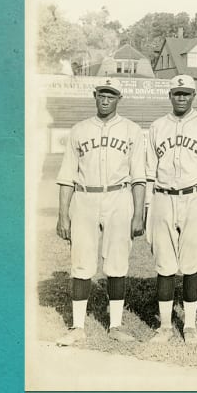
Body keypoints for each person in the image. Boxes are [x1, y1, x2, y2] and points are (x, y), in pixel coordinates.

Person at [54, 78, 146, 346]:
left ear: (119, 98)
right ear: (95, 96)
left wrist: (139, 214)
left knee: (117, 262)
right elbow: (66, 176)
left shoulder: (131, 130)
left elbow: (139, 177)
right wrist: (62, 215)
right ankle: (77, 326)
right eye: (102, 95)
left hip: (119, 196)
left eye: (111, 95)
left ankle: (115, 324)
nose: (106, 100)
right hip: (84, 197)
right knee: (81, 262)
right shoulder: (79, 129)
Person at [146, 74, 197, 344]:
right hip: (163, 197)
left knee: (192, 264)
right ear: (169, 95)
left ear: (194, 95)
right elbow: (148, 173)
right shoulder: (157, 126)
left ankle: (190, 325)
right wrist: (148, 208)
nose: (181, 97)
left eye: (186, 93)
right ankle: (166, 325)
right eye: (177, 93)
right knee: (165, 264)